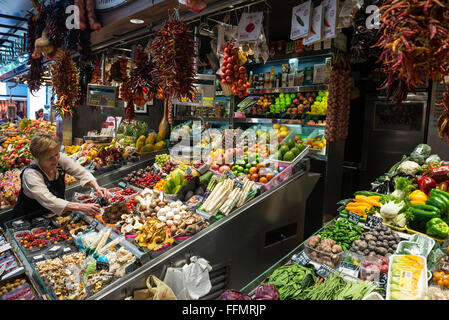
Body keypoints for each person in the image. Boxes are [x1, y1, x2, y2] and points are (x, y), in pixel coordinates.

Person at [13, 134, 110, 217]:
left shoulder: (59, 159)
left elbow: (81, 172)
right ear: (38, 158)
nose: (55, 159)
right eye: (50, 158)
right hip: (28, 218)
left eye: (56, 154)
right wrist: (80, 207)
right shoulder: (31, 174)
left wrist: (97, 187)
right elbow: (48, 200)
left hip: (52, 215)